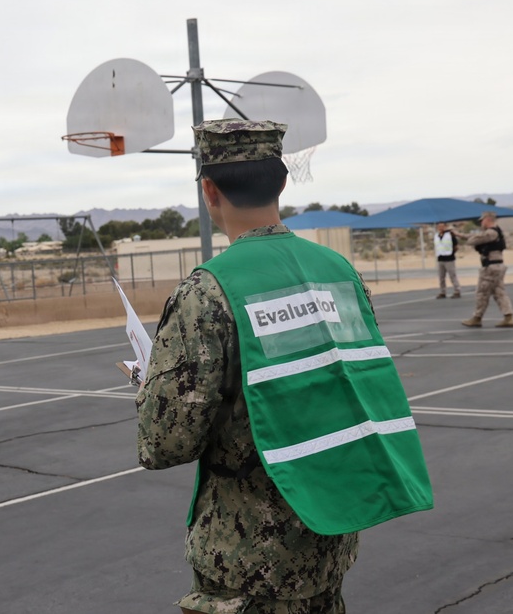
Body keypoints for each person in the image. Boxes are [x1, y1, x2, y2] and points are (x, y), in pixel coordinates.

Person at [136, 119, 433, 614]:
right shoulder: (339, 272)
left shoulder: (207, 291)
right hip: (326, 536)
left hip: (246, 561)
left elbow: (165, 442)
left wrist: (151, 385)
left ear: (209, 190)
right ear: (282, 181)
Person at [455, 212, 513, 328]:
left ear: (487, 219)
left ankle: (477, 317)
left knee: (482, 293)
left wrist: (467, 238)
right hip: (497, 266)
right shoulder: (495, 232)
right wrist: (459, 235)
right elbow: (475, 237)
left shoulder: (491, 232)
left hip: (490, 267)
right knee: (499, 292)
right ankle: (508, 316)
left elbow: (473, 240)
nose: (481, 222)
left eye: (482, 220)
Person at [433, 222, 461, 299]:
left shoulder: (450, 235)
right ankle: (442, 292)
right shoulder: (436, 236)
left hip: (449, 258)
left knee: (452, 275)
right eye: (439, 226)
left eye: (442, 226)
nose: (440, 228)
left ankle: (457, 290)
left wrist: (452, 253)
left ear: (445, 227)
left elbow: (456, 246)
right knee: (441, 277)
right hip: (440, 258)